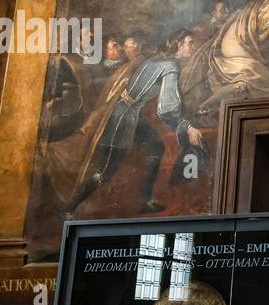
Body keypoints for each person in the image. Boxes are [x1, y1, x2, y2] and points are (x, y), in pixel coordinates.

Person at [64, 29, 205, 218]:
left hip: (129, 113)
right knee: (106, 170)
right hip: (123, 117)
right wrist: (187, 127)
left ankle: (144, 201)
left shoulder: (159, 58)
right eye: (190, 42)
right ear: (178, 45)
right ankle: (68, 209)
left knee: (156, 147)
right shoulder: (170, 65)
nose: (193, 47)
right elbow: (166, 108)